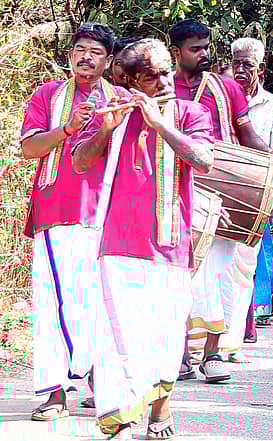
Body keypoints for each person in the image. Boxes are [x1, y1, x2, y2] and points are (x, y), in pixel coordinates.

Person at [71, 37, 215, 439]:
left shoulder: (190, 112)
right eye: (152, 76)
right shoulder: (112, 114)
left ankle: (160, 411)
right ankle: (123, 413)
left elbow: (204, 160)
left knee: (165, 333)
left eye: (167, 70)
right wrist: (104, 131)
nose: (165, 80)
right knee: (120, 335)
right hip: (117, 246)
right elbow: (81, 163)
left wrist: (162, 125)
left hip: (170, 245)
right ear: (130, 80)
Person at [20, 21, 122, 423]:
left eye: (96, 52)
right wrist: (66, 129)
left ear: (109, 60)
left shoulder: (123, 99)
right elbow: (29, 149)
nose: (86, 57)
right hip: (55, 212)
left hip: (108, 216)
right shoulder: (49, 95)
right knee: (53, 301)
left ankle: (100, 380)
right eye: (80, 49)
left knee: (99, 304)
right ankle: (53, 390)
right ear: (70, 55)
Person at [169, 18, 269, 384]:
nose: (204, 55)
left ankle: (212, 355)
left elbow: (247, 135)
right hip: (173, 190)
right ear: (175, 50)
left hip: (222, 193)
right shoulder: (162, 86)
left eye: (207, 47)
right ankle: (179, 355)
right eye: (195, 49)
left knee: (216, 275)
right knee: (180, 276)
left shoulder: (226, 88)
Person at [226, 37, 273, 349]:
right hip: (219, 188)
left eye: (246, 65)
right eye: (235, 62)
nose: (239, 69)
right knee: (216, 266)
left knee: (244, 268)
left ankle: (231, 342)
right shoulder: (217, 95)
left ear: (260, 70)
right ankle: (209, 340)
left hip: (254, 194)